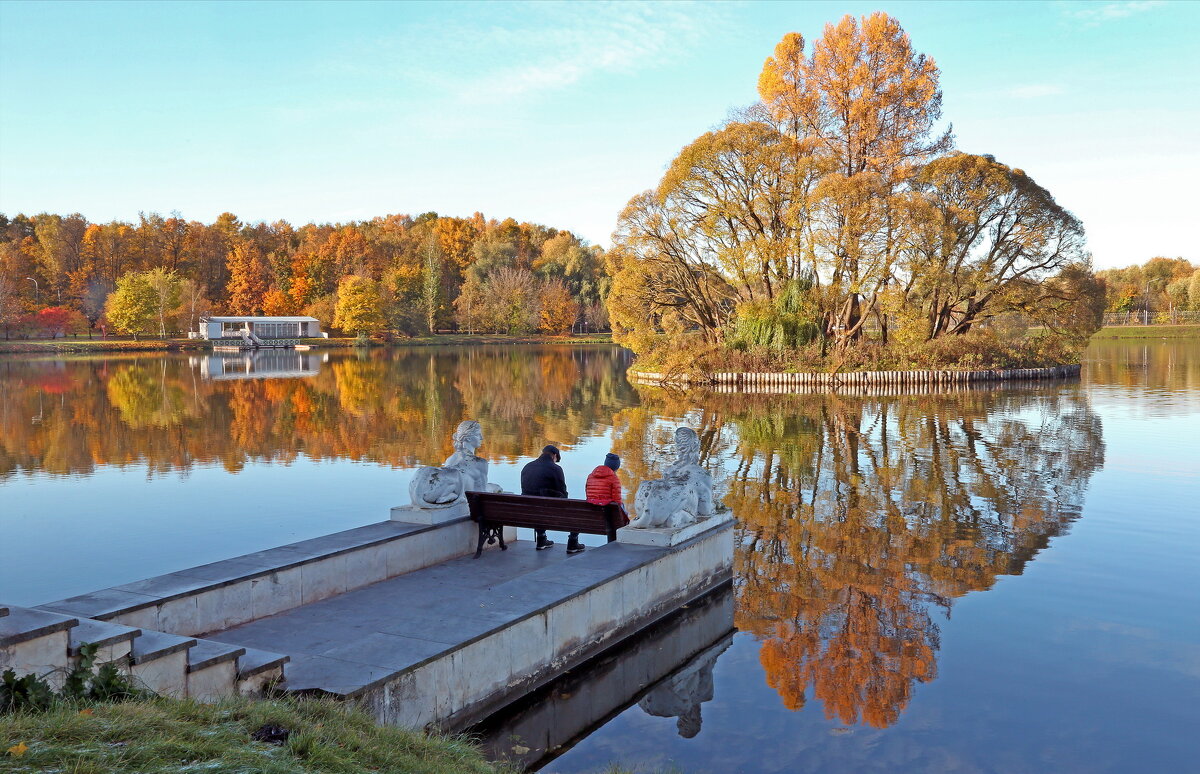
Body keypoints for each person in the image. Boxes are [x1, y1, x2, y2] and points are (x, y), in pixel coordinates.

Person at [520, 444, 583, 554]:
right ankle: (572, 543)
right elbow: (563, 493)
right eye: (556, 459)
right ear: (554, 455)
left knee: (538, 504)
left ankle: (541, 539)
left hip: (527, 511)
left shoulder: (527, 466)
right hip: (549, 512)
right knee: (577, 511)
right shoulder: (556, 469)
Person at [586, 452, 631, 529]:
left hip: (592, 517)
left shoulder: (590, 476)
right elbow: (617, 502)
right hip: (608, 519)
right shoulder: (614, 479)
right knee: (621, 508)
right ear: (616, 467)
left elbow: (588, 495)